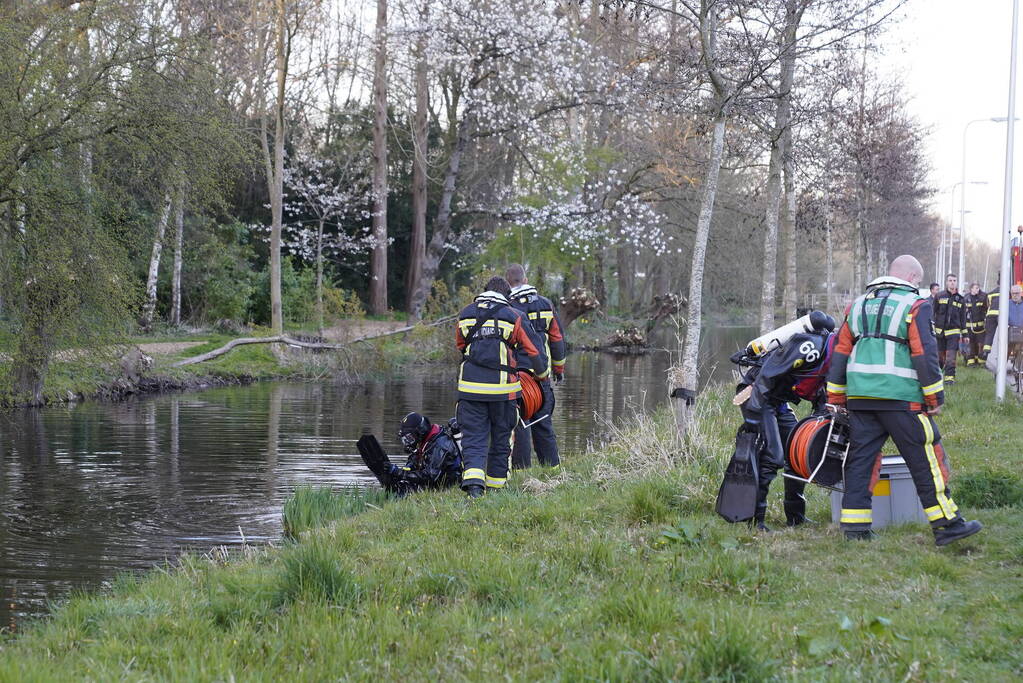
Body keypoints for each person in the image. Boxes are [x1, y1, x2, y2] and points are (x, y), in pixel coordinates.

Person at [826, 255, 982, 545]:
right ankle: (947, 524)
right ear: (911, 278)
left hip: (860, 399)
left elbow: (840, 352)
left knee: (860, 462)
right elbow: (924, 352)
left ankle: (855, 529)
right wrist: (934, 396)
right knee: (926, 459)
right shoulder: (915, 305)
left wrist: (836, 396)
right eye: (918, 281)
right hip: (901, 399)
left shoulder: (857, 305)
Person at [733, 314, 836, 531]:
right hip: (756, 394)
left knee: (797, 453)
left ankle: (795, 517)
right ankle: (755, 520)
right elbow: (766, 377)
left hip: (777, 401)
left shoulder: (836, 359)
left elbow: (822, 397)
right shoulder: (812, 346)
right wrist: (753, 417)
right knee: (773, 456)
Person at [455, 276, 546, 497]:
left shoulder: (465, 313)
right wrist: (541, 376)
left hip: (470, 390)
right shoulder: (515, 316)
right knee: (501, 439)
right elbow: (535, 351)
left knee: (473, 438)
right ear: (507, 296)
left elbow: (460, 344)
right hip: (504, 393)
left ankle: (475, 487)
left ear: (485, 291)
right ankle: (496, 488)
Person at [505, 263, 567, 471]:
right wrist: (559, 369)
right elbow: (557, 339)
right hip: (541, 374)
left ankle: (522, 470)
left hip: (515, 375)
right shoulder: (545, 304)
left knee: (520, 422)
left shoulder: (506, 306)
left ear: (507, 283)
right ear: (526, 279)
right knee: (543, 420)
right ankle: (552, 469)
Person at [357, 413, 462, 497]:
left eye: (409, 438)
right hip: (434, 483)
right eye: (405, 439)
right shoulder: (424, 443)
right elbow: (413, 463)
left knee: (399, 492)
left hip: (447, 485)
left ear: (420, 432)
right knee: (394, 487)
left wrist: (399, 473)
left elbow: (430, 476)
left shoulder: (440, 444)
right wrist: (402, 470)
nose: (408, 442)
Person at [932, 273, 966, 384]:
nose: (952, 282)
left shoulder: (960, 299)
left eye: (954, 280)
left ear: (956, 282)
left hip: (954, 332)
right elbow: (933, 312)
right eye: (950, 280)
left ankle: (949, 378)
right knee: (939, 358)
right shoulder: (939, 296)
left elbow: (963, 318)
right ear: (947, 282)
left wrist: (965, 335)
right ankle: (936, 377)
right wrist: (931, 327)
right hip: (939, 332)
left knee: (951, 357)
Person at [964, 282, 987, 366]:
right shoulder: (966, 298)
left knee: (981, 344)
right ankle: (970, 361)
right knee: (971, 344)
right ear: (971, 289)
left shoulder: (982, 298)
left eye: (978, 288)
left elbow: (986, 308)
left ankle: (981, 361)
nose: (977, 289)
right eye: (976, 288)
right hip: (969, 327)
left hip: (980, 327)